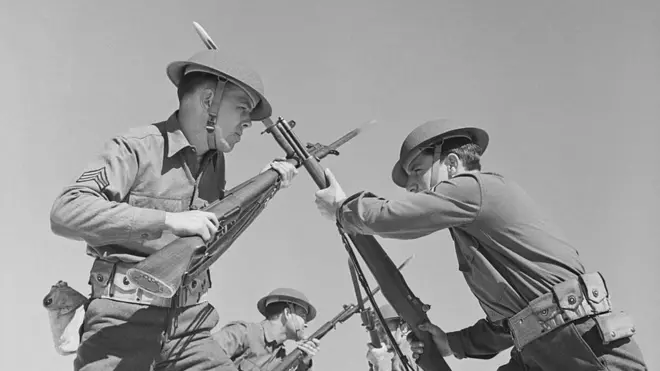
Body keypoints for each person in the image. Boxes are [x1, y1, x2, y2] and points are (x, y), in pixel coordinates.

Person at [314, 119, 647, 370]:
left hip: (583, 346)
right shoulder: (470, 227)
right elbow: (515, 321)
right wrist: (453, 343)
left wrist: (344, 208)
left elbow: (394, 218)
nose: (413, 186)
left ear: (454, 164)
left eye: (417, 171)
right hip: (542, 348)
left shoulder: (474, 188)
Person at [49, 49, 299, 371]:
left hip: (192, 327)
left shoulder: (215, 164)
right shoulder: (137, 147)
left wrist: (268, 183)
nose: (247, 123)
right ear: (209, 101)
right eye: (241, 109)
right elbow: (66, 210)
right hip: (121, 322)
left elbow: (214, 226)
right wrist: (168, 220)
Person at [212, 288, 321, 371]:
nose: (306, 324)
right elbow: (204, 357)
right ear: (287, 313)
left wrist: (305, 363)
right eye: (303, 316)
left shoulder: (280, 358)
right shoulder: (243, 333)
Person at [365, 305, 420, 371]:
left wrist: (381, 361)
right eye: (377, 332)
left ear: (404, 328)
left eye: (384, 330)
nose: (380, 337)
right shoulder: (394, 355)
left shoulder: (410, 353)